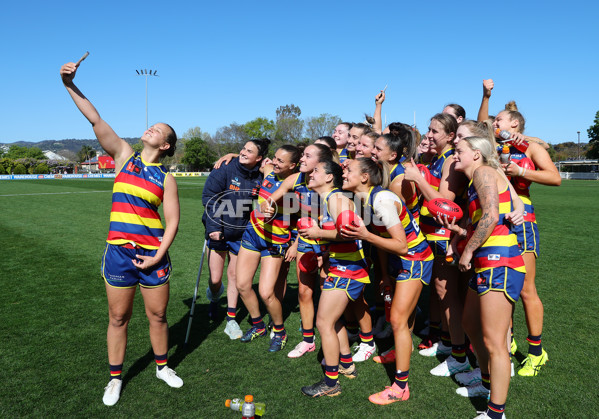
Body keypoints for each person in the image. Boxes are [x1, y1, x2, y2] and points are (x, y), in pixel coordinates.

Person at [60, 61, 183, 407]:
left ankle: (162, 367)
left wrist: (159, 253)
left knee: (157, 316)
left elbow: (172, 221)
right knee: (118, 318)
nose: (151, 129)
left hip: (153, 255)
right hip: (119, 252)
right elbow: (95, 120)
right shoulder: (124, 157)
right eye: (152, 125)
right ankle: (115, 378)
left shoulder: (167, 179)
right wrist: (69, 84)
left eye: (158, 130)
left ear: (167, 146)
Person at [445, 136, 526, 419]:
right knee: (470, 323)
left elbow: (491, 216)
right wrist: (460, 234)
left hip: (499, 262)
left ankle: (495, 413)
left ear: (477, 155)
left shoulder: (483, 172)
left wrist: (466, 252)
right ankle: (487, 383)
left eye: (459, 151)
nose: (454, 155)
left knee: (495, 342)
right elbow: (485, 219)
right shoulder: (474, 181)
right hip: (487, 262)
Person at [341, 158, 433, 404]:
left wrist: (365, 234)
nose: (343, 171)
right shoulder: (362, 199)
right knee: (403, 316)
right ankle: (398, 352)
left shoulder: (380, 200)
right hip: (398, 259)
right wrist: (384, 275)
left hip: (415, 258)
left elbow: (401, 245)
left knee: (397, 319)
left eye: (349, 170)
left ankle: (400, 387)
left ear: (364, 178)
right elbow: (381, 239)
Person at [492, 104, 561, 376]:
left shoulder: (531, 148)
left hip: (523, 222)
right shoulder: (491, 145)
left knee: (525, 289)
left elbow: (555, 178)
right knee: (504, 287)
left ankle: (536, 353)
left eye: (500, 120)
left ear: (515, 124)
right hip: (497, 221)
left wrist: (521, 172)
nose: (494, 124)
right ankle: (507, 343)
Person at [404, 114, 471, 377]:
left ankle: (459, 355)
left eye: (435, 131)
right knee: (441, 292)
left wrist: (418, 180)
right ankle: (446, 342)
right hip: (431, 233)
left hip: (444, 235)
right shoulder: (437, 159)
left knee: (448, 293)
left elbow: (447, 205)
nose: (429, 135)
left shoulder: (451, 161)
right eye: (429, 130)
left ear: (450, 136)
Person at [299, 160, 370, 397]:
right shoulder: (331, 199)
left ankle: (331, 384)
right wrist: (327, 253)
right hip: (342, 265)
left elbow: (350, 230)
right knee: (333, 320)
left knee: (323, 323)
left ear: (330, 178)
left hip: (348, 270)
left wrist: (318, 233)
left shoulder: (336, 199)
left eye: (316, 170)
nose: (311, 173)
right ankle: (346, 364)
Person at [261, 143, 336, 358]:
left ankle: (334, 339)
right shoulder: (296, 179)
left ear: (321, 163)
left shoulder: (332, 182)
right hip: (305, 240)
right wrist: (267, 207)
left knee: (328, 295)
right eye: (302, 155)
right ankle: (308, 340)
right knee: (304, 292)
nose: (302, 158)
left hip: (329, 243)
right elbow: (271, 198)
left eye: (307, 155)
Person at [234, 144, 304, 352]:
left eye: (281, 161)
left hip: (276, 242)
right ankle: (258, 325)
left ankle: (280, 331)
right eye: (274, 158)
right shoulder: (268, 171)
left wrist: (296, 243)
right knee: (243, 285)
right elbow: (256, 161)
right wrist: (230, 154)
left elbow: (305, 219)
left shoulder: (297, 187)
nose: (275, 162)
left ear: (293, 165)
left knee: (266, 292)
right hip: (253, 235)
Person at [202, 140, 266, 339]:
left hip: (241, 233)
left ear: (259, 158)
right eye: (243, 149)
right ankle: (214, 297)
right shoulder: (225, 167)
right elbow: (209, 197)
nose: (244, 152)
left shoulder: (261, 174)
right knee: (215, 279)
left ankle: (231, 319)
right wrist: (214, 227)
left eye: (250, 151)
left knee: (235, 276)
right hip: (219, 230)